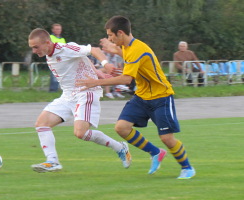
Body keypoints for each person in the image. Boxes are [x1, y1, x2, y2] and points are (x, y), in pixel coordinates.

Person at [76, 16, 195, 179]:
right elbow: (124, 54)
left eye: (111, 35)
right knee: (121, 127)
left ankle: (187, 168)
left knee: (167, 138)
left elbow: (126, 79)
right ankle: (155, 152)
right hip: (142, 97)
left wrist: (95, 82)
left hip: (161, 97)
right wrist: (112, 48)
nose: (110, 38)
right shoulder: (126, 46)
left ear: (120, 33)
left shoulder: (137, 49)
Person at [28, 28, 131, 172]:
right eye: (32, 48)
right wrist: (98, 73)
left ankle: (120, 147)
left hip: (86, 91)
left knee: (80, 133)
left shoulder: (65, 49)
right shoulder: (48, 53)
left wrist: (105, 64)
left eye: (36, 47)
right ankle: (52, 161)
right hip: (68, 95)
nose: (34, 51)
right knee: (41, 124)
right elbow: (82, 58)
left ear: (47, 42)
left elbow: (93, 50)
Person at [48, 23, 67, 92]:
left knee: (62, 74)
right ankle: (53, 89)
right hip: (53, 58)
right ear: (53, 30)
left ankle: (62, 88)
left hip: (61, 58)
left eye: (59, 29)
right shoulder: (50, 37)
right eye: (56, 29)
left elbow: (65, 48)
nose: (58, 30)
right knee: (54, 74)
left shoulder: (62, 39)